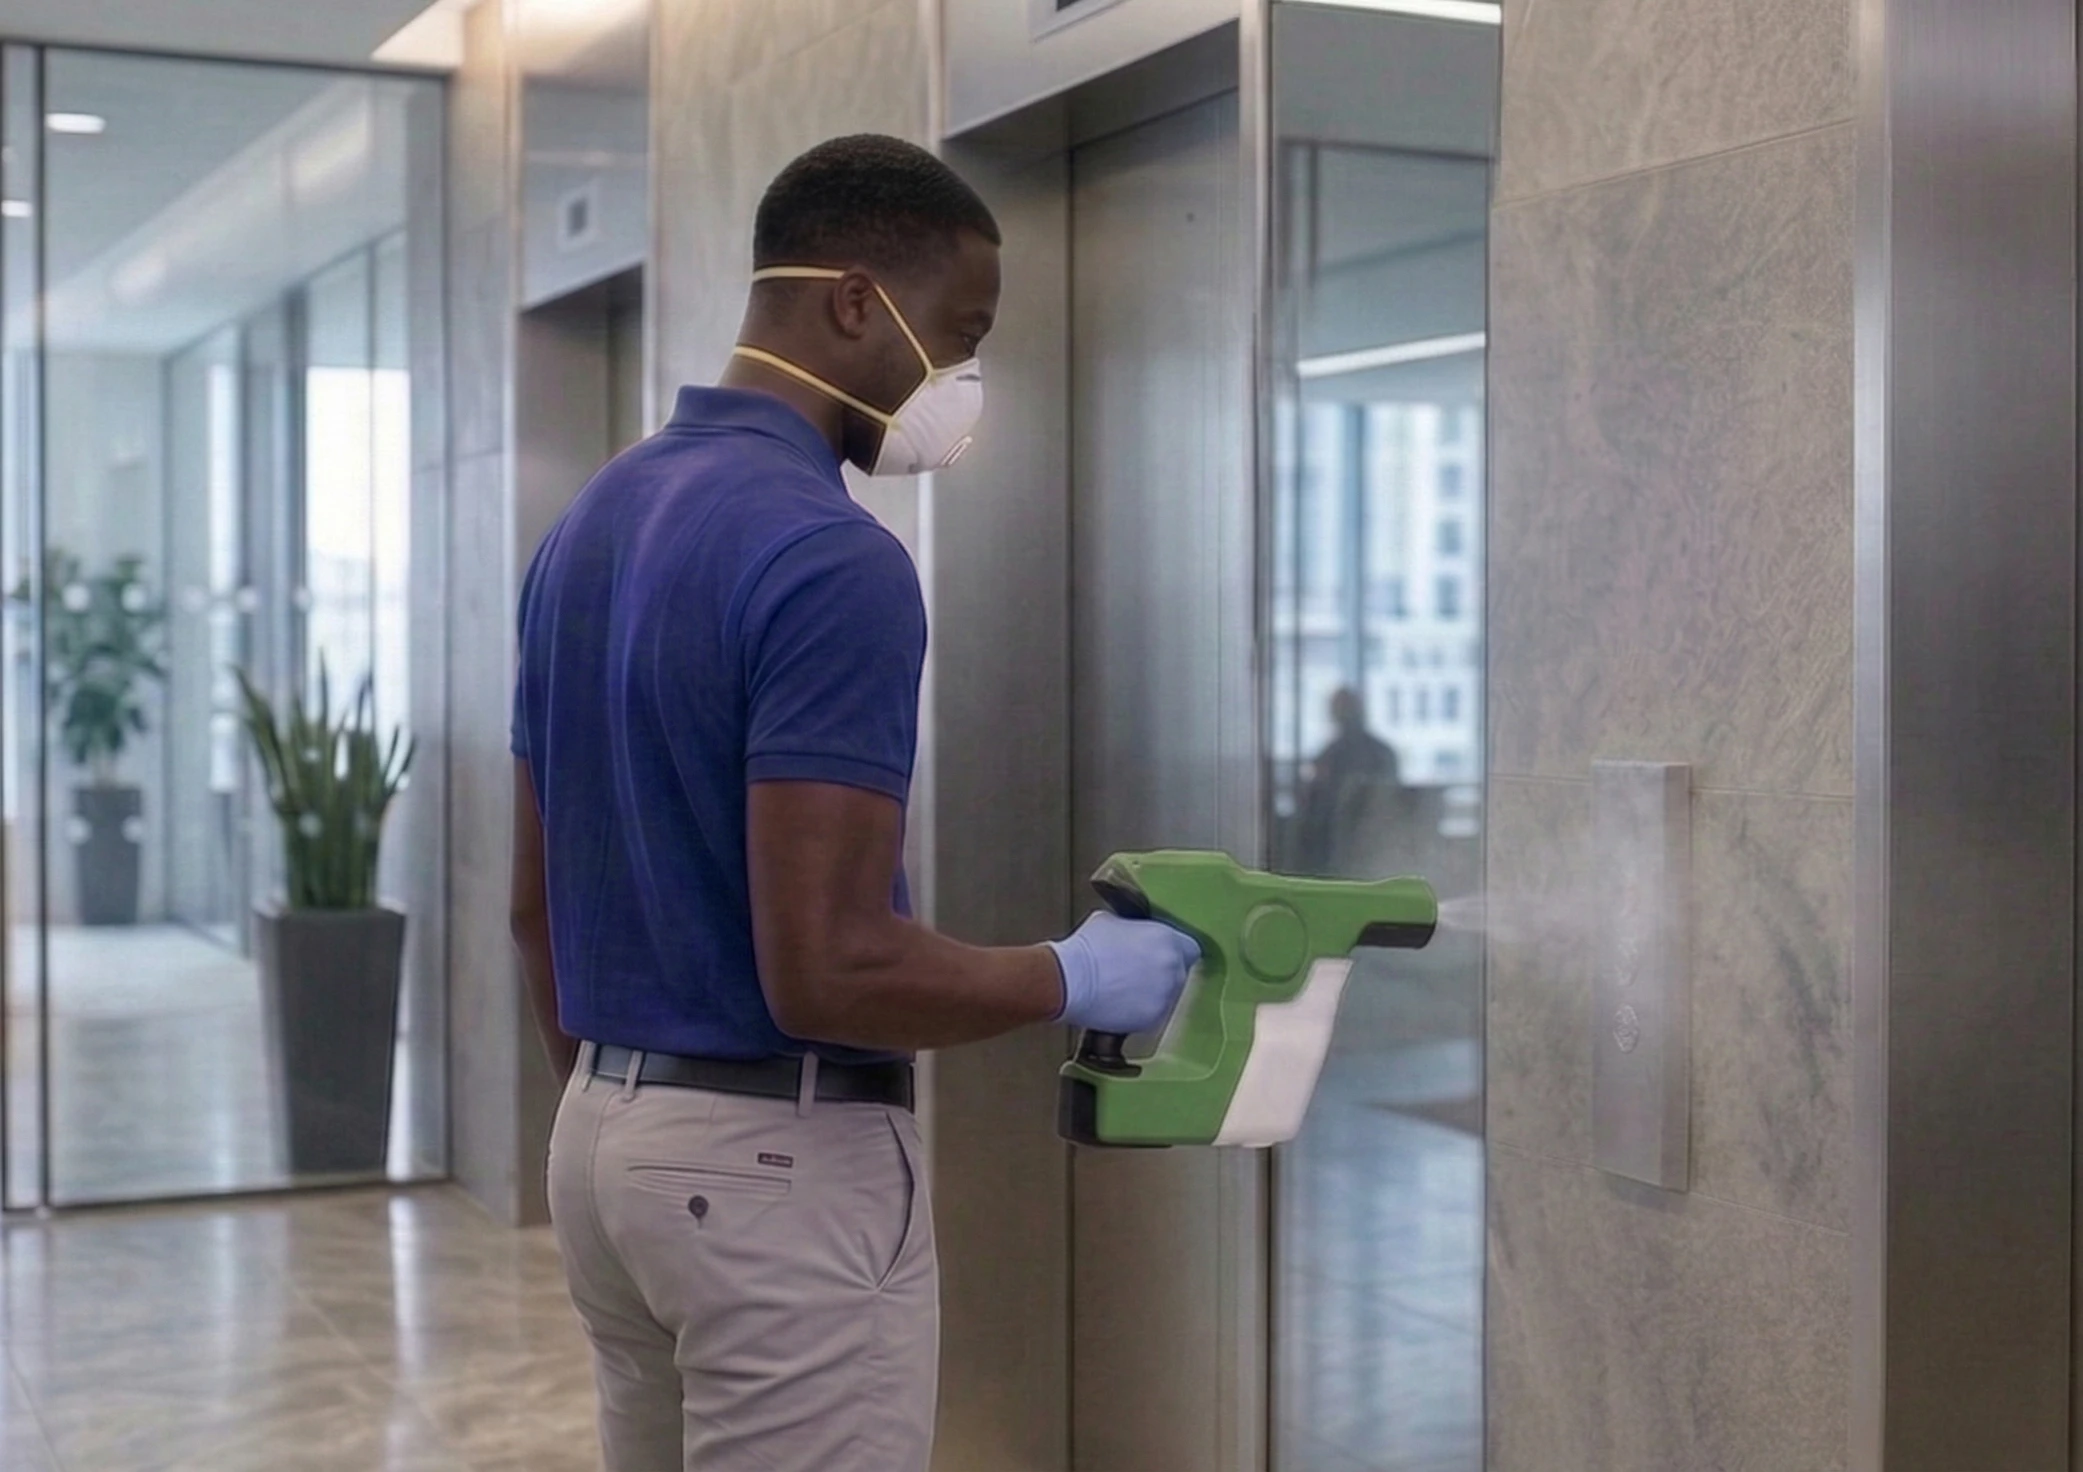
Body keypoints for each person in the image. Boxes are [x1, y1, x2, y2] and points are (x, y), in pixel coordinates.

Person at [508, 135, 1198, 1472]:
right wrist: (1068, 975)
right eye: (959, 336)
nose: (961, 382)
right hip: (774, 1169)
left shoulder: (588, 524)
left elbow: (536, 907)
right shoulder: (830, 556)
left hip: (601, 1141)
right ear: (851, 301)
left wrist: (633, 1124)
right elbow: (829, 967)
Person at [1295, 685, 1405, 876]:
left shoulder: (1375, 753)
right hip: (1338, 846)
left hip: (1365, 843)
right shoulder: (1332, 755)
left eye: (1344, 709)